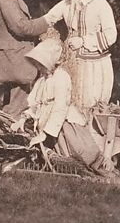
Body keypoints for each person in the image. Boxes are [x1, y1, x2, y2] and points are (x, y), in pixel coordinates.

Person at [21, 33, 109, 174]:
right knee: (49, 154)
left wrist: (45, 134)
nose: (39, 67)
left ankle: (85, 166)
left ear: (52, 61)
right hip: (47, 123)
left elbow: (60, 109)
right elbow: (35, 104)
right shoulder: (41, 81)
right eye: (36, 64)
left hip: (64, 125)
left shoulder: (61, 77)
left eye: (41, 63)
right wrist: (24, 118)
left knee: (79, 154)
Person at [53, 0, 117, 108]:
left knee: (89, 105)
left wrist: (83, 41)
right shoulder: (67, 3)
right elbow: (48, 18)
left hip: (94, 66)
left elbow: (111, 35)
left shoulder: (100, 4)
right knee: (68, 103)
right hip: (71, 61)